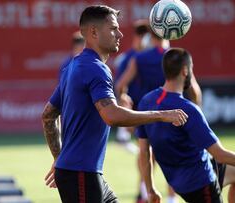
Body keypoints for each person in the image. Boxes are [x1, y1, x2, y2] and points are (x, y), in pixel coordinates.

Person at [41, 5, 189, 203]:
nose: (119, 34)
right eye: (113, 28)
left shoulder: (73, 66)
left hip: (82, 172)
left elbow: (48, 115)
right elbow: (111, 116)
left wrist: (59, 158)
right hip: (81, 174)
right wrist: (162, 115)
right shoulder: (96, 69)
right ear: (93, 32)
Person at [136, 47, 235, 203]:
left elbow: (144, 152)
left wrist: (150, 189)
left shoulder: (146, 101)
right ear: (185, 71)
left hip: (178, 182)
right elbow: (220, 154)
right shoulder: (188, 109)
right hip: (200, 182)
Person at [115, 29, 182, 203]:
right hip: (173, 112)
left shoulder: (140, 58)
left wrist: (123, 97)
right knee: (173, 156)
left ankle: (145, 193)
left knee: (145, 153)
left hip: (147, 112)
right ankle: (171, 199)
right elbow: (194, 90)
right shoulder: (177, 58)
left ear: (150, 37)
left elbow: (121, 84)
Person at [112, 19, 149, 154]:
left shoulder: (150, 55)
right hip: (135, 106)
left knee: (146, 148)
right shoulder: (128, 58)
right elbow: (120, 84)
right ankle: (122, 137)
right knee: (144, 147)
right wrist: (122, 101)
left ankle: (122, 138)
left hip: (148, 105)